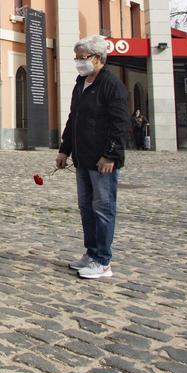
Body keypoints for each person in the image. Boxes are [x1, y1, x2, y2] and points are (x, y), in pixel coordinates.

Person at [57, 36, 130, 279]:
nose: (78, 62)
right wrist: (64, 150)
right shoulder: (81, 83)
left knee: (102, 208)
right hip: (82, 158)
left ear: (97, 58)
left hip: (103, 161)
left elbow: (120, 124)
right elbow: (73, 119)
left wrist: (110, 154)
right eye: (76, 57)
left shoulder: (111, 85)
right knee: (86, 208)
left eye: (82, 57)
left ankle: (103, 261)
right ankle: (91, 253)